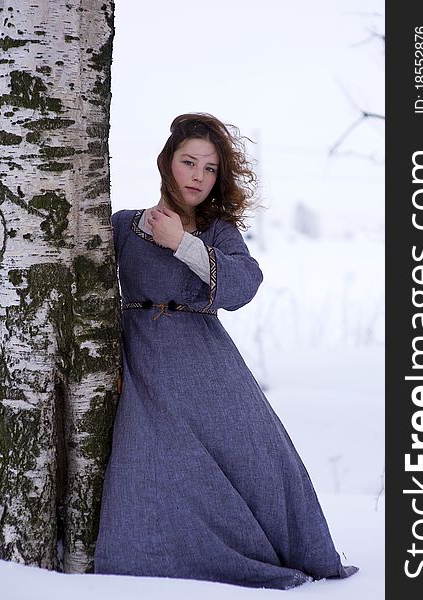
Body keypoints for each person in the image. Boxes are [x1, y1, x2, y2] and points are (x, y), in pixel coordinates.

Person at [93, 113, 358, 590]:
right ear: (166, 163)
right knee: (150, 467)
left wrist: (182, 244)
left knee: (259, 461)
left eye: (209, 168)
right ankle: (147, 566)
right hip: (143, 364)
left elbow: (244, 283)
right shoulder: (121, 225)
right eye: (188, 162)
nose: (197, 175)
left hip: (208, 368)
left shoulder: (216, 232)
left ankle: (267, 553)